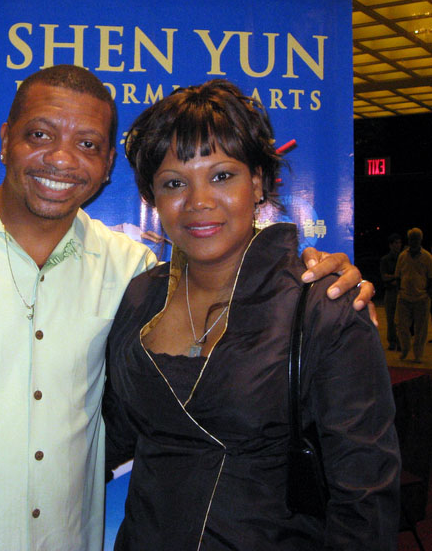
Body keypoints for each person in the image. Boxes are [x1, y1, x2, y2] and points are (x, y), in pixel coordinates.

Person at [0, 66, 373, 551]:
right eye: (39, 134)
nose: (61, 158)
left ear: (106, 166)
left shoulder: (128, 271)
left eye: (88, 144)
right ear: (5, 139)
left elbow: (363, 490)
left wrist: (331, 282)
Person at [104, 79, 400, 550]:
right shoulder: (140, 297)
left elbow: (366, 497)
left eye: (222, 176)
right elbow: (106, 438)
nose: (199, 201)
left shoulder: (323, 307)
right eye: (174, 183)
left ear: (258, 182)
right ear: (152, 198)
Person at [395, 227, 432, 362]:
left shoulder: (427, 257)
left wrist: (427, 293)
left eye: (416, 239)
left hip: (421, 298)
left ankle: (418, 354)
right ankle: (405, 348)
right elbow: (398, 275)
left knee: (421, 329)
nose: (414, 241)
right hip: (404, 297)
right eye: (411, 239)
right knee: (401, 326)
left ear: (420, 240)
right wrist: (400, 290)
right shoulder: (403, 256)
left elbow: (430, 278)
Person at [380, 232, 402, 350]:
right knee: (391, 318)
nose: (398, 245)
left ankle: (400, 341)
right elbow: (384, 276)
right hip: (391, 292)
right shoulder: (386, 260)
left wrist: (393, 278)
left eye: (399, 243)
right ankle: (392, 341)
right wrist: (396, 277)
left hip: (401, 291)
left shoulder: (403, 258)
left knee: (401, 319)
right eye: (395, 243)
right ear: (390, 245)